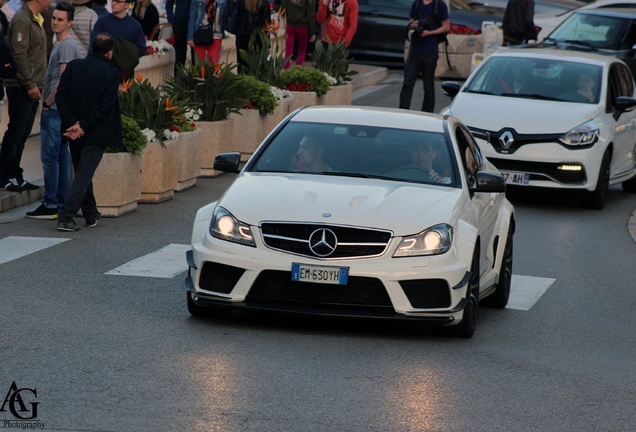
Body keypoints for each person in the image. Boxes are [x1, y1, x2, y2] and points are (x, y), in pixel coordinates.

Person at [55, 32, 123, 232]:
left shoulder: (74, 66)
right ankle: (66, 217)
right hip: (94, 131)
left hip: (73, 130)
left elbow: (61, 95)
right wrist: (82, 126)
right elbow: (105, 105)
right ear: (109, 53)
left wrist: (72, 123)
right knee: (84, 174)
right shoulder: (111, 72)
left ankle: (91, 214)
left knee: (83, 172)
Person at [27, 1, 83, 220]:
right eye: (54, 19)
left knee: (51, 156)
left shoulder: (67, 46)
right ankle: (58, 200)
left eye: (60, 19)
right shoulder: (59, 42)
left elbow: (63, 79)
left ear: (70, 22)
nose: (55, 22)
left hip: (56, 109)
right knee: (59, 156)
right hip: (58, 108)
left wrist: (49, 101)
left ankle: (52, 202)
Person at [0, 0, 51, 193]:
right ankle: (5, 175)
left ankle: (16, 174)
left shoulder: (34, 18)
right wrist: (29, 84)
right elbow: (19, 55)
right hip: (22, 87)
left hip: (33, 86)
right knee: (16, 132)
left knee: (23, 134)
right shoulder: (22, 19)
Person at [399, 0, 449, 113]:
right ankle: (402, 112)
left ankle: (427, 114)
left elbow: (446, 27)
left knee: (428, 86)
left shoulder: (439, 5)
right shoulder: (416, 3)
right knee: (407, 83)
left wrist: (430, 33)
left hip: (430, 51)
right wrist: (415, 24)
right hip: (415, 50)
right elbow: (411, 22)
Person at [233, 0, 270, 73]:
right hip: (257, 38)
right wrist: (267, 43)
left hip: (242, 35)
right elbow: (266, 25)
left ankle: (242, 83)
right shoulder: (264, 3)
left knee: (241, 66)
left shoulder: (241, 2)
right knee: (256, 68)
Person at [281, 0, 315, 69]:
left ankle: (286, 71)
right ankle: (297, 71)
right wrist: (312, 32)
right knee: (302, 51)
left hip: (290, 25)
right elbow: (310, 14)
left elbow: (283, 9)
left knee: (288, 51)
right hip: (303, 27)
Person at [165, 0, 193, 71]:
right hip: (180, 22)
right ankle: (179, 80)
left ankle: (196, 79)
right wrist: (172, 21)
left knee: (196, 56)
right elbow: (169, 5)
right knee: (180, 57)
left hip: (194, 22)